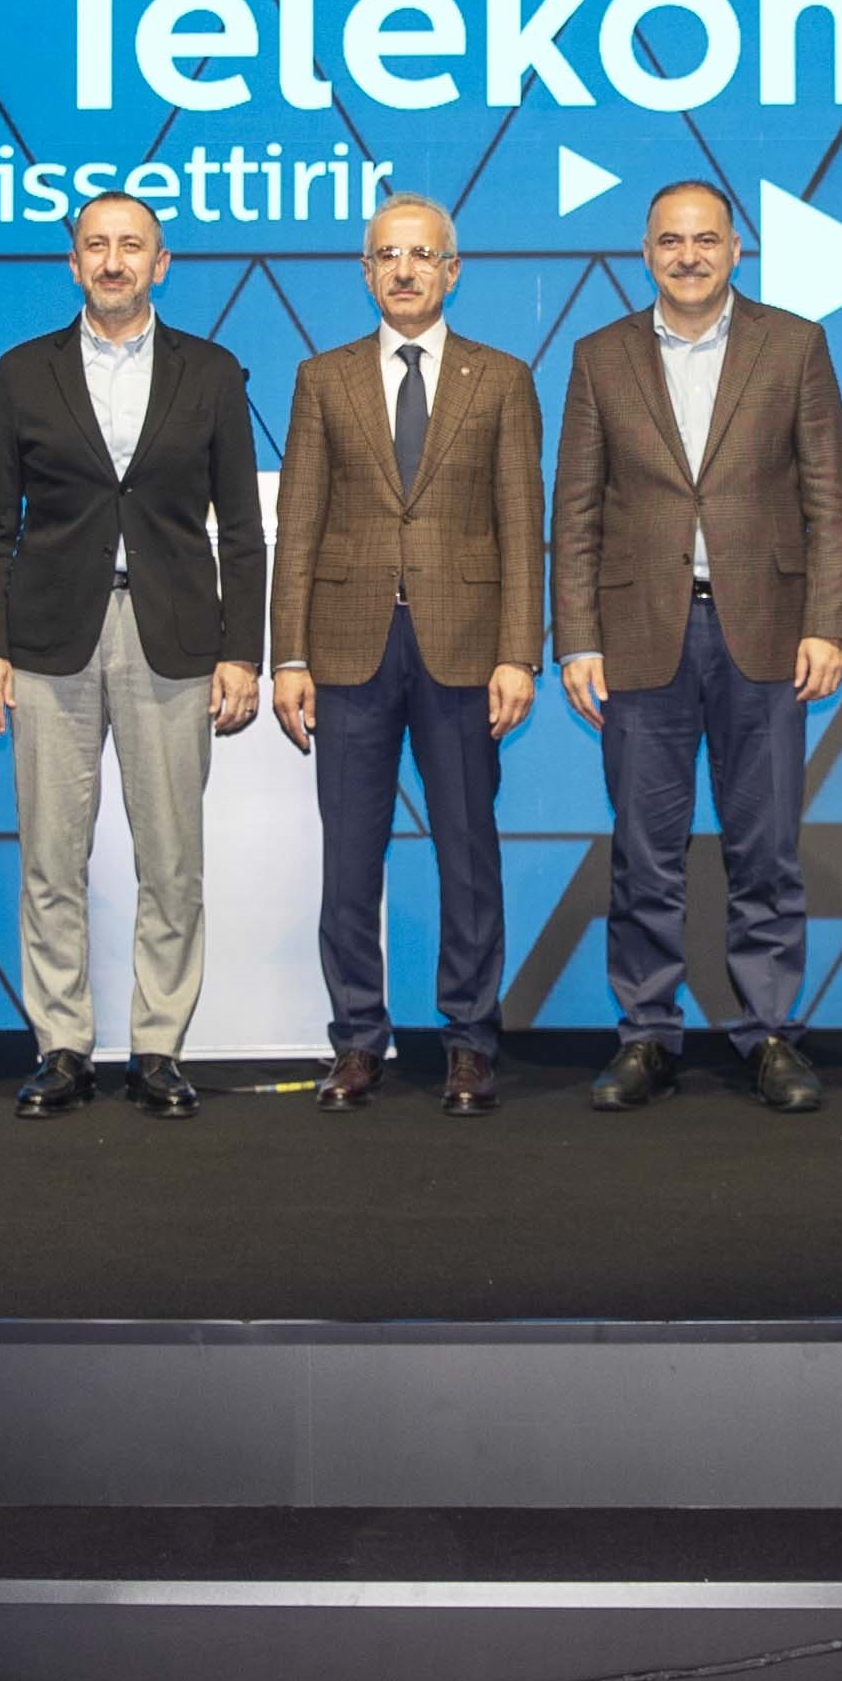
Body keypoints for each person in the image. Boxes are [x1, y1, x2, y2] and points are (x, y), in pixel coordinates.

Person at [554, 179, 842, 1114]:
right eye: (670, 241)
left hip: (766, 631)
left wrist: (829, 622)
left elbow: (829, 497)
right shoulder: (599, 356)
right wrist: (576, 639)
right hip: (637, 635)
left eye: (706, 239)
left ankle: (769, 1032)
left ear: (737, 249)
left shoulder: (794, 345)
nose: (688, 255)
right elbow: (575, 511)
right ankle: (647, 1033)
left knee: (766, 848)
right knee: (644, 854)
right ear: (645, 253)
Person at [0, 194, 265, 1120]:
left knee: (171, 860)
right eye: (95, 245)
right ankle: (62, 1047)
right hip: (47, 637)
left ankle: (158, 1048)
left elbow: (243, 530)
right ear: (73, 264)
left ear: (160, 264)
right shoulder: (24, 372)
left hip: (173, 636)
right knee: (51, 857)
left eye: (130, 245)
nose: (112, 261)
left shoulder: (211, 372)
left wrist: (243, 653)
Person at [270, 192, 540, 1117]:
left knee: (468, 852)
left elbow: (522, 527)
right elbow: (299, 526)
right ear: (366, 272)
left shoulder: (501, 379)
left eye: (423, 255)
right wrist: (288, 655)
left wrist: (520, 653)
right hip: (347, 649)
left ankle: (469, 1042)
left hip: (466, 650)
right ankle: (357, 1039)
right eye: (388, 255)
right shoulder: (323, 378)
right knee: (350, 858)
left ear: (452, 271)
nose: (405, 270)